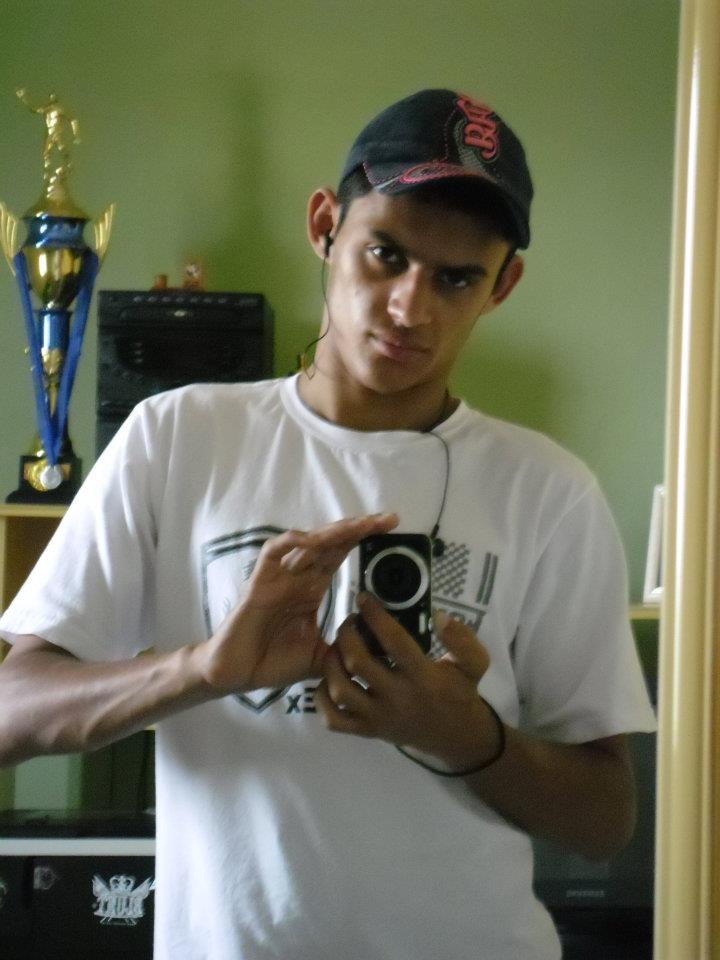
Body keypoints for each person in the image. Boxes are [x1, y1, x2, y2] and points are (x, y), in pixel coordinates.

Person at [0, 89, 655, 959]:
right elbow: (12, 714)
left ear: (502, 286)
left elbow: (607, 820)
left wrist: (466, 736)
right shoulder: (176, 438)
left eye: (456, 278)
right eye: (386, 254)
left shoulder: (549, 491)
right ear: (324, 227)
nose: (410, 307)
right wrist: (204, 668)